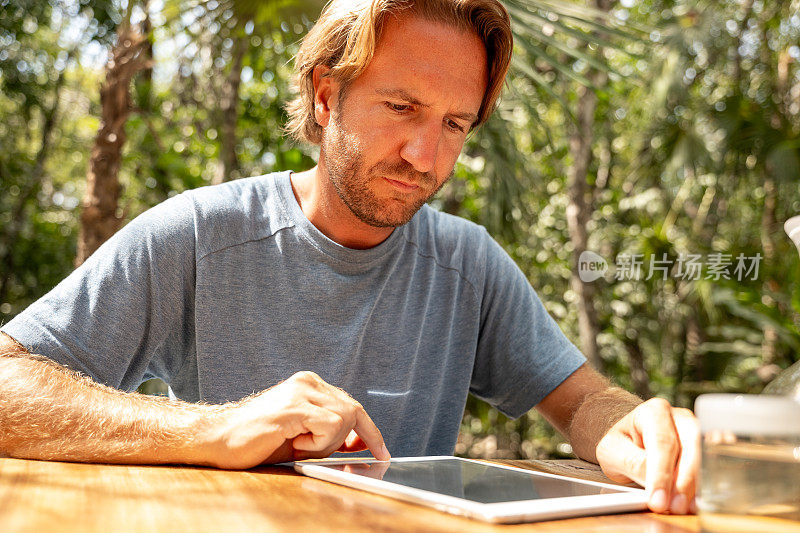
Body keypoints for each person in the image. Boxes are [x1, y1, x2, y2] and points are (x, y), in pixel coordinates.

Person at [0, 0, 699, 515]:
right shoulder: (198, 236)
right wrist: (216, 428)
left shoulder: (468, 265)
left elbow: (586, 405)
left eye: (454, 124)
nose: (426, 157)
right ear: (326, 95)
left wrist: (630, 424)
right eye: (402, 107)